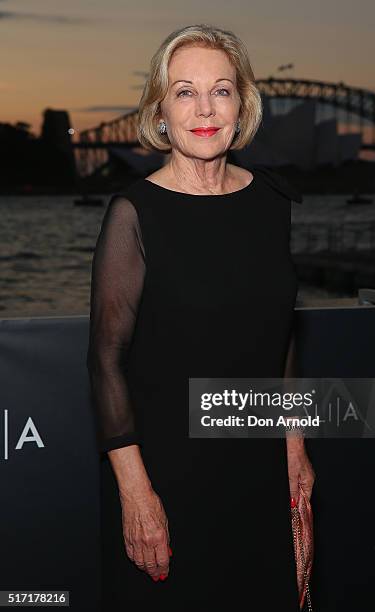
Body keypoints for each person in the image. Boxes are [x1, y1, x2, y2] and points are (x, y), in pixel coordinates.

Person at [86, 23, 315, 611]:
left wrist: (294, 446)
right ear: (161, 111)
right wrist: (135, 494)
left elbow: (282, 337)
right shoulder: (134, 213)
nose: (205, 108)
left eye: (221, 90)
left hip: (257, 471)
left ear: (243, 107)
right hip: (168, 477)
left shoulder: (271, 202)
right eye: (185, 91)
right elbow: (106, 361)